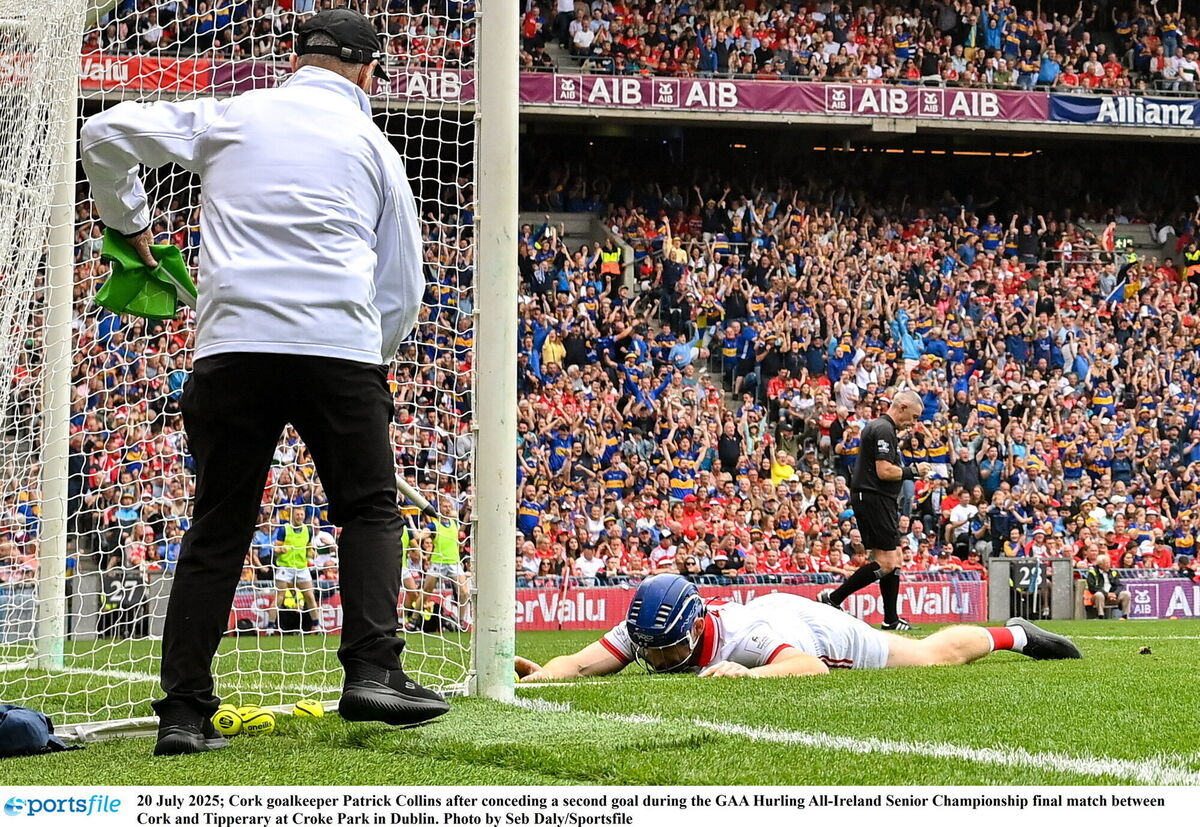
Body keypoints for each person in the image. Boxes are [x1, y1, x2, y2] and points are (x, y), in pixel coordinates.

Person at [80, 8, 449, 756]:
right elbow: (402, 282)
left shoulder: (230, 115)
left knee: (217, 529)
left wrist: (131, 224)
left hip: (233, 348)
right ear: (364, 70)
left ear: (298, 58)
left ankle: (183, 712)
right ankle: (372, 669)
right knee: (370, 509)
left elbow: (102, 133)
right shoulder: (372, 143)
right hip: (338, 349)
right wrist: (364, 356)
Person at [516, 575, 1081, 680]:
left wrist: (744, 676)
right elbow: (584, 661)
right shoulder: (653, 627)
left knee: (930, 656)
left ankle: (1017, 635)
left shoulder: (745, 638)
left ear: (695, 627)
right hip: (776, 611)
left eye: (668, 654)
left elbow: (805, 665)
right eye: (653, 655)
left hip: (809, 628)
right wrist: (543, 675)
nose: (660, 663)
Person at [821, 390, 930, 630]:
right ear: (901, 406)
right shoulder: (882, 429)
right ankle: (834, 598)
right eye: (913, 416)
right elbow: (884, 471)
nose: (914, 423)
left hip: (879, 498)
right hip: (874, 497)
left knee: (895, 558)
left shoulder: (883, 428)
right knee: (887, 563)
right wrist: (914, 471)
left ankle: (891, 619)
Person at [267, 507, 322, 632]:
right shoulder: (284, 529)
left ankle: (317, 625)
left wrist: (313, 553)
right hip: (285, 567)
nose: (300, 516)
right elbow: (275, 549)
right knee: (280, 597)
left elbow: (308, 548)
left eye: (302, 514)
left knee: (309, 596)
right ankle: (270, 627)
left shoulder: (308, 530)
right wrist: (281, 550)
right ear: (292, 515)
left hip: (302, 567)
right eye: (297, 514)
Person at [1085, 553, 1131, 619]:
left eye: (1109, 563)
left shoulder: (1113, 572)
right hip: (1099, 597)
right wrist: (1106, 594)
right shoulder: (1092, 572)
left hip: (1113, 596)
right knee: (1099, 594)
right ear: (1100, 565)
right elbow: (1092, 587)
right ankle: (1101, 616)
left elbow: (1119, 585)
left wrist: (1115, 593)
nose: (1108, 565)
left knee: (1126, 593)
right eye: (1106, 563)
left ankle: (1125, 616)